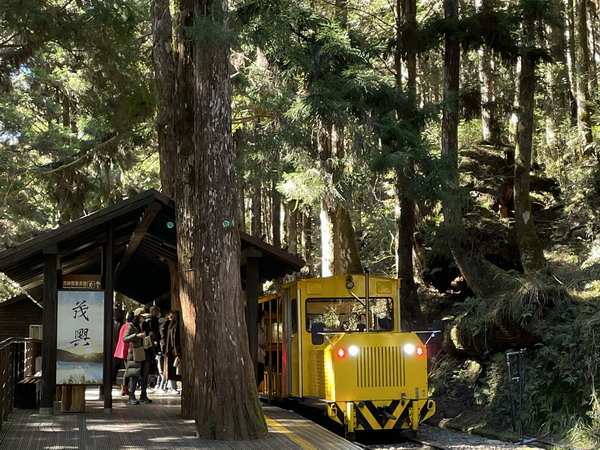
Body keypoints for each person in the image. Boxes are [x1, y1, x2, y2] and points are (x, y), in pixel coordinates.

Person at [123, 307, 153, 405]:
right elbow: (125, 339)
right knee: (134, 374)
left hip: (146, 351)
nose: (144, 319)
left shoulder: (146, 325)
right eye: (142, 317)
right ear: (137, 316)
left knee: (145, 375)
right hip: (136, 352)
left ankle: (143, 395)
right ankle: (131, 395)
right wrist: (136, 336)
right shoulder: (131, 326)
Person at [113, 310, 134, 396]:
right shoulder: (130, 326)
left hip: (120, 348)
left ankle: (124, 387)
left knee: (127, 369)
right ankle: (124, 387)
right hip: (127, 349)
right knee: (129, 369)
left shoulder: (123, 325)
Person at [163, 310, 181, 392]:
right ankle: (174, 388)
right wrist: (178, 353)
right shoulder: (175, 327)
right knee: (175, 370)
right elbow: (175, 340)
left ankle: (174, 388)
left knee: (172, 370)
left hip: (169, 351)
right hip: (173, 351)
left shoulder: (170, 326)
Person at [257, 309, 267, 388]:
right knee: (259, 376)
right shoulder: (258, 328)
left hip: (259, 356)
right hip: (258, 356)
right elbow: (261, 341)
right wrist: (266, 344)